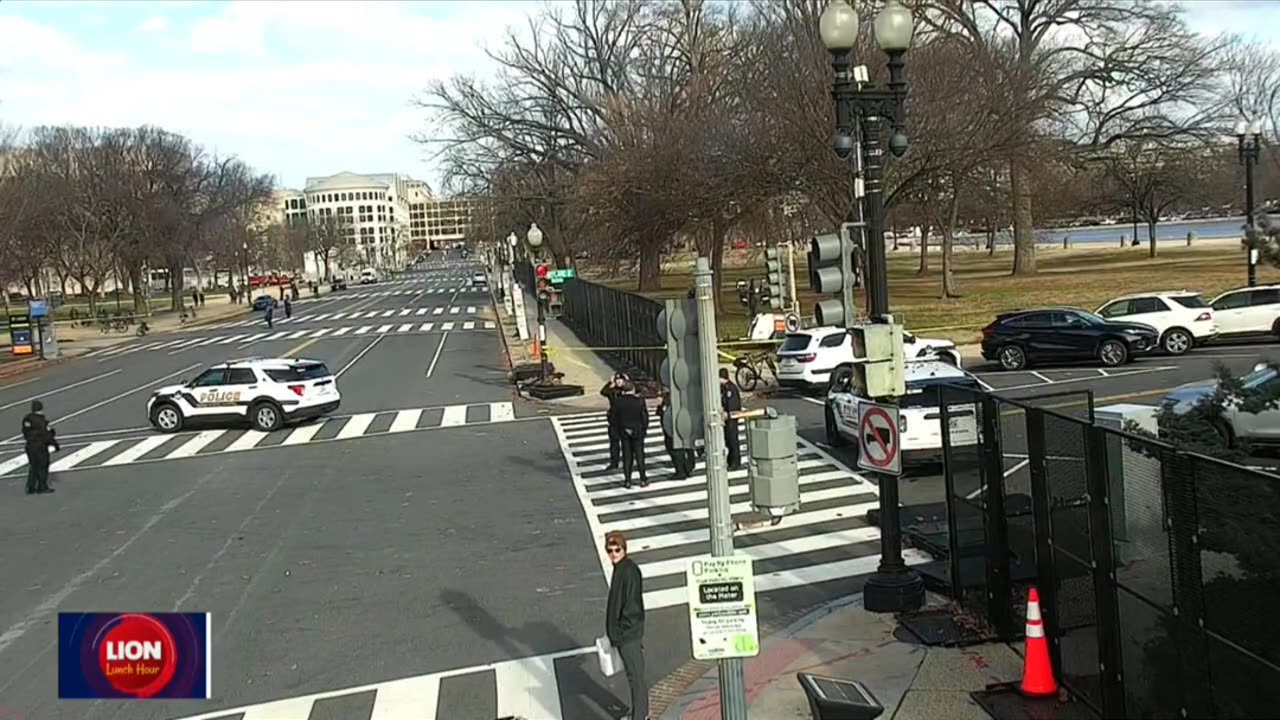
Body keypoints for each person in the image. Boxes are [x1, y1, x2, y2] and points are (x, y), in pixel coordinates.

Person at [604, 531, 647, 720]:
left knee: (635, 677)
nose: (613, 554)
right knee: (635, 676)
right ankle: (640, 713)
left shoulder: (628, 571)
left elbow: (631, 606)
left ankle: (640, 716)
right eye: (610, 550)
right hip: (625, 634)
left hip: (628, 635)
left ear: (624, 549)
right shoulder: (622, 569)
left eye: (617, 549)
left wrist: (619, 632)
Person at [614, 381, 650, 489]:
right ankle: (643, 479)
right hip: (637, 430)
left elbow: (614, 418)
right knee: (639, 455)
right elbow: (644, 417)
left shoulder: (618, 401)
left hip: (624, 430)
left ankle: (628, 480)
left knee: (627, 456)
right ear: (633, 389)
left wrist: (619, 429)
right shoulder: (639, 401)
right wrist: (644, 429)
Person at [22, 400, 59, 495]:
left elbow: (25, 432)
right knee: (42, 466)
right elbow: (46, 435)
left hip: (30, 445)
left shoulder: (27, 419)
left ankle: (30, 486)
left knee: (33, 466)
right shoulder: (42, 421)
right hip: (40, 446)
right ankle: (42, 487)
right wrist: (55, 444)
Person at [655, 391, 693, 480]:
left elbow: (664, 414)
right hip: (676, 427)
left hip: (672, 428)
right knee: (682, 449)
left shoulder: (670, 399)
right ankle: (686, 468)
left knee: (675, 450)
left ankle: (681, 471)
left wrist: (661, 406)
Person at [600, 373, 627, 471]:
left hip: (625, 420)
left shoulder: (626, 391)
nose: (619, 382)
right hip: (614, 421)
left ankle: (627, 461)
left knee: (626, 443)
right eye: (617, 380)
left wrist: (627, 382)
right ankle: (614, 462)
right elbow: (603, 392)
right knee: (614, 443)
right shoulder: (613, 392)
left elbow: (638, 389)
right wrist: (609, 383)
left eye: (621, 380)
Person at [719, 368, 743, 471]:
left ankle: (735, 462)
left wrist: (728, 414)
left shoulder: (730, 389)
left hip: (731, 418)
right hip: (727, 419)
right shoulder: (723, 388)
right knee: (728, 440)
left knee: (733, 440)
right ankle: (730, 460)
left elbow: (732, 405)